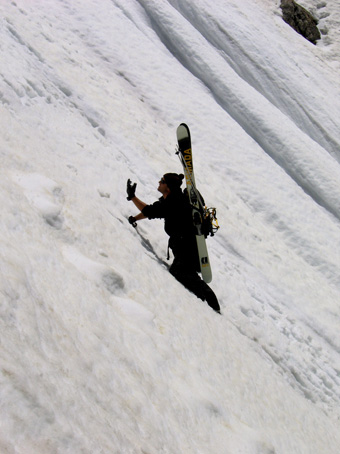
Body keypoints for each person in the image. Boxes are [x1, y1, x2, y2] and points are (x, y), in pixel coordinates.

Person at [126, 173, 221, 313]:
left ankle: (210, 305)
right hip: (189, 247)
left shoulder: (173, 203)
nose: (159, 182)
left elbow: (149, 211)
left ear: (168, 187)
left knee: (180, 272)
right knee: (183, 272)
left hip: (187, 249)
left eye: (162, 181)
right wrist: (135, 218)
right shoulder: (172, 200)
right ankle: (208, 303)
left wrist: (132, 197)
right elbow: (152, 212)